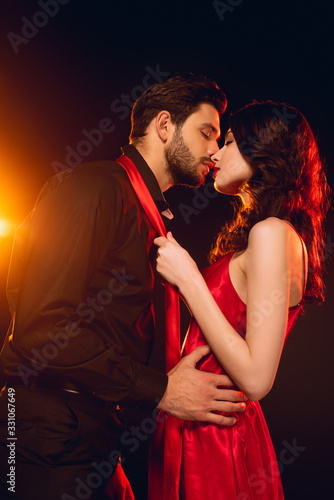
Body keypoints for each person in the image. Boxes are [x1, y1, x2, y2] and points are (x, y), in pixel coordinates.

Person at [0, 74, 247, 500]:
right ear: (165, 125)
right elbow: (42, 329)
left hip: (93, 437)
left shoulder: (145, 211)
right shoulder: (92, 187)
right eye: (206, 132)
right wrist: (164, 390)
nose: (214, 150)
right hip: (44, 437)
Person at [148, 101, 330, 499]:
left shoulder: (272, 234)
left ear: (262, 149)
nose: (215, 152)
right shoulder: (270, 235)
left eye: (228, 141)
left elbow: (256, 378)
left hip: (217, 436)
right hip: (200, 424)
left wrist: (190, 278)